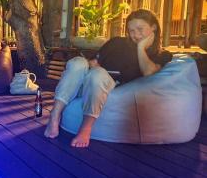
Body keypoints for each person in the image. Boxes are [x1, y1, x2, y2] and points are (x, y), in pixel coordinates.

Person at [44, 9, 172, 148]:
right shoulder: (117, 42)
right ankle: (55, 115)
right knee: (77, 62)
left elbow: (148, 72)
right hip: (84, 83)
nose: (135, 35)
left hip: (104, 87)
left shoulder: (162, 54)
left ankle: (86, 128)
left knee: (98, 74)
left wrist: (140, 48)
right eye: (131, 30)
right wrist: (88, 64)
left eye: (140, 29)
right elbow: (94, 62)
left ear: (153, 27)